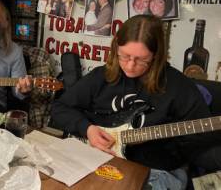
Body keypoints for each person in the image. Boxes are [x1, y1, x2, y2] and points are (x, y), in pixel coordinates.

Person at [51, 15, 221, 189]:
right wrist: (87, 129)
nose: (130, 66)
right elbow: (59, 108)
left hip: (155, 171)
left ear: (156, 55)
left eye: (141, 59)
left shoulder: (179, 87)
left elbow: (201, 145)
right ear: (116, 47)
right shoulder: (102, 76)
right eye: (124, 56)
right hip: (96, 160)